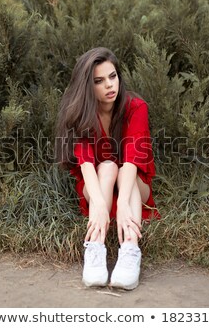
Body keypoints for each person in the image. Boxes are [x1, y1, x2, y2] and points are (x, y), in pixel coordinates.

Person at [55, 47, 159, 290]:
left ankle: (130, 250)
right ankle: (95, 249)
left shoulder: (136, 107)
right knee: (109, 166)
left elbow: (133, 159)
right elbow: (86, 164)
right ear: (87, 86)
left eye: (113, 76)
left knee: (122, 169)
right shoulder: (81, 114)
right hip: (98, 189)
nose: (109, 85)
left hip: (133, 189)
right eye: (99, 81)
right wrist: (100, 205)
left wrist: (122, 204)